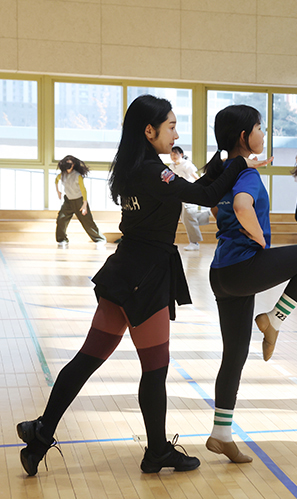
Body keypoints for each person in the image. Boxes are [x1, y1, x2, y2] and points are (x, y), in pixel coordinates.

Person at [16, 94, 268, 476]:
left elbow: (193, 188)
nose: (176, 133)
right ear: (149, 131)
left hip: (123, 272)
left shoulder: (136, 167)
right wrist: (237, 164)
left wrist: (222, 162)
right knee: (155, 368)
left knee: (88, 358)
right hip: (145, 277)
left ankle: (40, 433)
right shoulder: (155, 171)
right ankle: (156, 452)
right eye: (170, 126)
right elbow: (205, 195)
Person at [205, 105, 297, 463]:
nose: (264, 133)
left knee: (235, 355)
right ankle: (273, 320)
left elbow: (219, 208)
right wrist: (259, 239)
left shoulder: (229, 171)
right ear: (244, 137)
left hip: (221, 275)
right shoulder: (245, 177)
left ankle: (221, 434)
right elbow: (243, 207)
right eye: (260, 127)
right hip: (243, 268)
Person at [54, 155, 106, 250]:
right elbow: (56, 180)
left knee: (87, 221)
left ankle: (100, 239)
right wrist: (58, 191)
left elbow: (83, 190)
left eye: (70, 164)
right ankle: (62, 239)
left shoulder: (77, 176)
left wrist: (84, 204)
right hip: (68, 201)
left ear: (73, 165)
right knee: (61, 219)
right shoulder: (62, 175)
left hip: (79, 201)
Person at [170, 146, 209, 251]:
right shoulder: (171, 166)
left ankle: (194, 243)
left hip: (189, 194)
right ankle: (206, 216)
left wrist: (204, 188)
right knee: (185, 218)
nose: (173, 156)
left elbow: (195, 176)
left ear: (181, 155)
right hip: (178, 196)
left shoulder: (186, 164)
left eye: (175, 154)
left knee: (189, 217)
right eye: (171, 154)